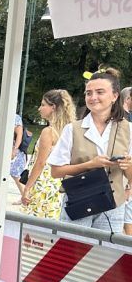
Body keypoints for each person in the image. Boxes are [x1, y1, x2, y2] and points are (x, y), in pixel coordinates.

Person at [50, 67, 132, 232]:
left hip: (113, 206)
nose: (93, 97)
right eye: (89, 93)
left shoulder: (128, 129)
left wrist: (128, 167)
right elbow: (56, 171)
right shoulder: (72, 129)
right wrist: (90, 164)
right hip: (79, 201)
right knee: (72, 251)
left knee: (106, 255)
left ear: (115, 96)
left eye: (100, 92)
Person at [21, 89, 76, 219]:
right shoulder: (70, 130)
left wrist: (27, 187)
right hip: (60, 183)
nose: (40, 109)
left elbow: (40, 163)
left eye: (43, 105)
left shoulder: (49, 132)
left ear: (53, 107)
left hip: (45, 183)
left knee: (34, 225)